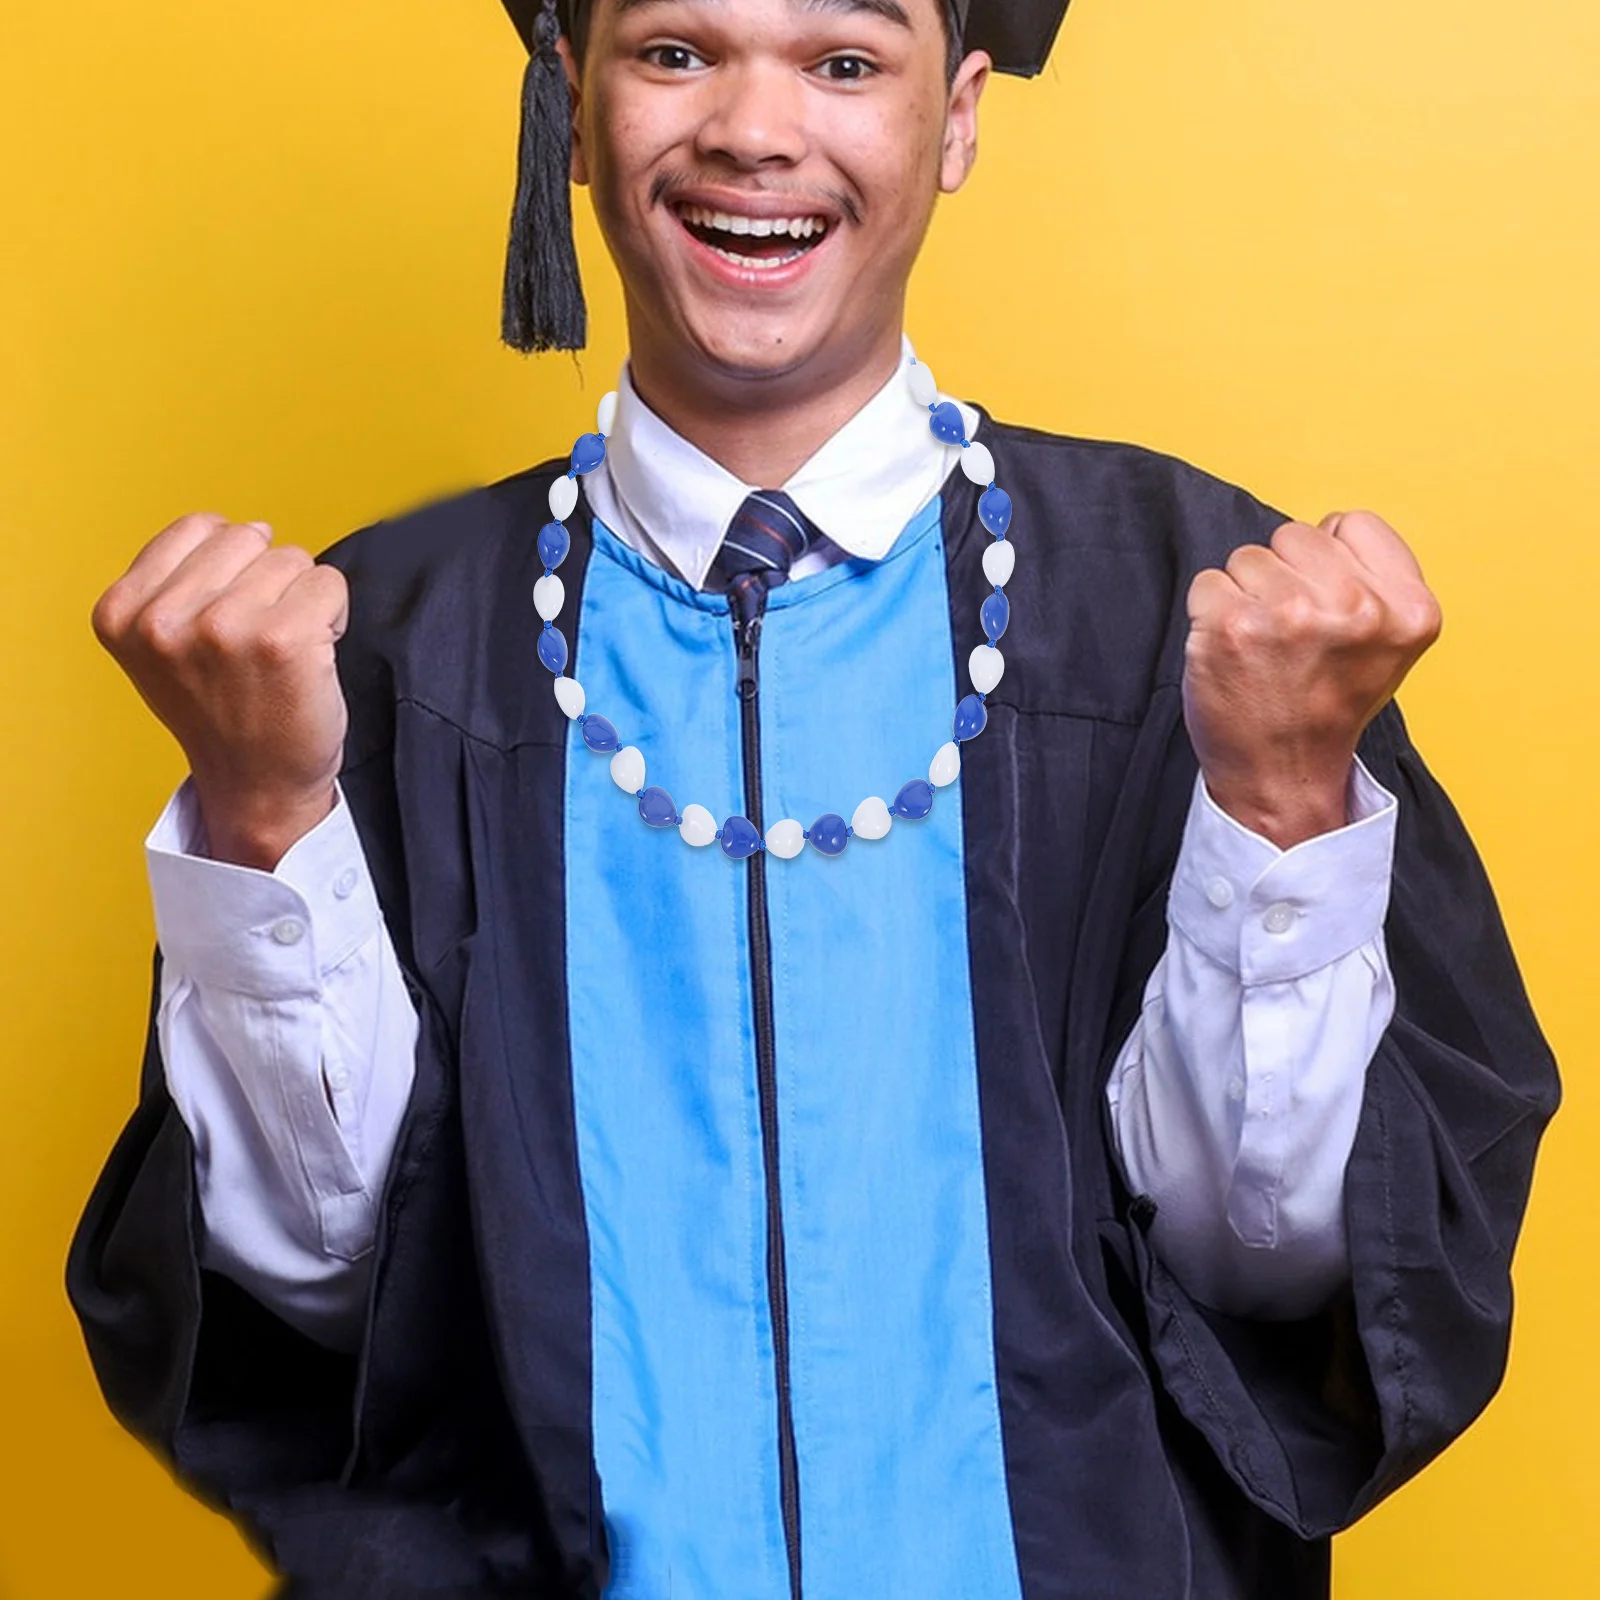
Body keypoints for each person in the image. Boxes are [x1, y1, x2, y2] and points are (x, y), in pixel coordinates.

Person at [69, 1, 1559, 1596]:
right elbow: (319, 1294)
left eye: (845, 61)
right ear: (571, 99)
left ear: (959, 113)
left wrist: (1279, 800)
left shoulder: (1191, 614)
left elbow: (1274, 1271)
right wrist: (262, 819)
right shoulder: (384, 649)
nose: (756, 131)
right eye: (676, 51)